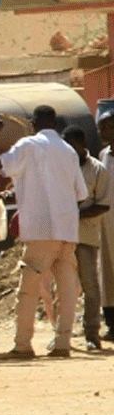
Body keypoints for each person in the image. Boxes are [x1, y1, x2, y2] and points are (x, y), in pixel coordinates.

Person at [0, 107, 87, 359]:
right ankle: (63, 343)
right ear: (54, 122)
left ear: (33, 123)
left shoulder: (27, 145)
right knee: (66, 289)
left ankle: (23, 344)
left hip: (40, 229)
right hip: (67, 229)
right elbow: (81, 194)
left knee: (29, 288)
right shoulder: (68, 151)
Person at [65, 127, 111, 350]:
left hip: (86, 234)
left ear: (82, 143)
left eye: (73, 145)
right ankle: (62, 332)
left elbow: (102, 204)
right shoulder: (61, 167)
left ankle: (92, 333)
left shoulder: (98, 169)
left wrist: (74, 214)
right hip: (62, 235)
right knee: (62, 286)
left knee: (91, 285)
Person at [99, 113, 114, 340]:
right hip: (105, 221)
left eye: (108, 128)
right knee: (107, 271)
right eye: (100, 128)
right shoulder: (104, 155)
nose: (103, 133)